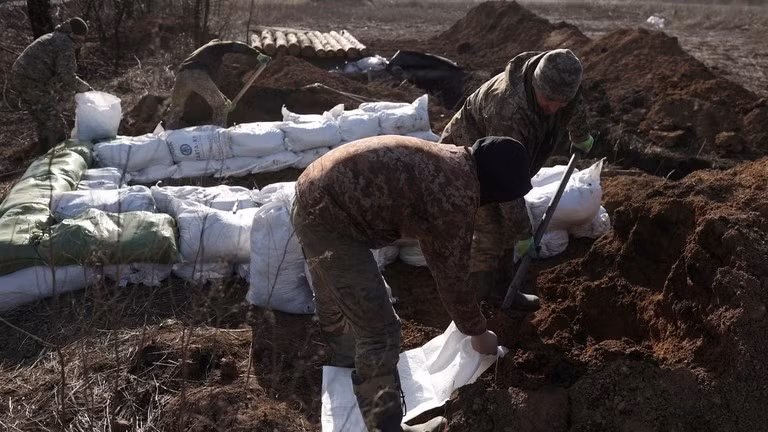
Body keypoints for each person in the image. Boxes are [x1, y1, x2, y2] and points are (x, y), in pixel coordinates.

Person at [292, 135, 533, 432]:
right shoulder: (456, 194)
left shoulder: (455, 160)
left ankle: (345, 367)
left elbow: (436, 252)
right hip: (330, 221)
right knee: (380, 333)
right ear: (496, 187)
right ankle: (386, 427)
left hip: (312, 192)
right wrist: (478, 331)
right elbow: (452, 275)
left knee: (337, 298)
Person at [439, 48, 594, 307]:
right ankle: (476, 305)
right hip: (467, 155)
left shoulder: (564, 87)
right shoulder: (508, 109)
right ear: (535, 84)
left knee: (507, 231)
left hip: (505, 159)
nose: (554, 108)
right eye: (548, 100)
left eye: (561, 102)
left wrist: (581, 136)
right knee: (490, 230)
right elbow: (505, 183)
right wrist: (524, 232)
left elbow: (575, 108)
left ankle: (503, 293)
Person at [10, 17, 92, 153]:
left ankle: (46, 154)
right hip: (30, 81)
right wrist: (87, 90)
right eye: (83, 37)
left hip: (24, 78)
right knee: (54, 122)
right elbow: (67, 76)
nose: (83, 41)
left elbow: (60, 76)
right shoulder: (65, 44)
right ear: (76, 35)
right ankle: (62, 157)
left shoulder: (56, 36)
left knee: (43, 120)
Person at [165, 39, 272, 129]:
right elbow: (236, 45)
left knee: (175, 109)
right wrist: (257, 55)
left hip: (181, 76)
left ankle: (167, 135)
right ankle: (218, 136)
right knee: (221, 107)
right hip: (197, 74)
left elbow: (209, 85)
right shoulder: (216, 46)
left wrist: (225, 99)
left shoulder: (200, 56)